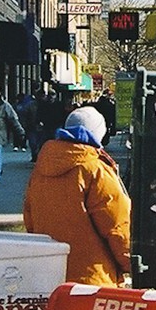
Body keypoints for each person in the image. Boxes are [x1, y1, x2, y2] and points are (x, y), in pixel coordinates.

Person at [23, 105, 131, 286]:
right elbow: (116, 226)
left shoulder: (41, 169)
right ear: (98, 134)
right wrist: (129, 264)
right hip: (92, 278)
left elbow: (30, 220)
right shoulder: (95, 170)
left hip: (51, 274)